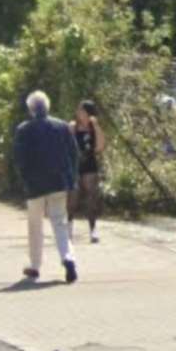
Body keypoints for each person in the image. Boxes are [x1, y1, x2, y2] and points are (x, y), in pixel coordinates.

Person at [13, 90, 78, 283]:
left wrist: (24, 178)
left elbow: (19, 158)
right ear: (47, 107)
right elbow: (73, 154)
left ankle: (35, 266)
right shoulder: (62, 126)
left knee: (35, 225)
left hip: (35, 185)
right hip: (59, 182)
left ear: (31, 109)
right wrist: (71, 179)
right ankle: (68, 258)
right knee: (60, 222)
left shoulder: (24, 129)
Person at [71, 100, 107, 244]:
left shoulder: (94, 128)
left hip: (90, 165)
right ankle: (68, 229)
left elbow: (99, 147)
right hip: (74, 165)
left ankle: (93, 230)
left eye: (82, 111)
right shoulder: (73, 126)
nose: (79, 113)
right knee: (72, 199)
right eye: (78, 111)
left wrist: (96, 126)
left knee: (91, 197)